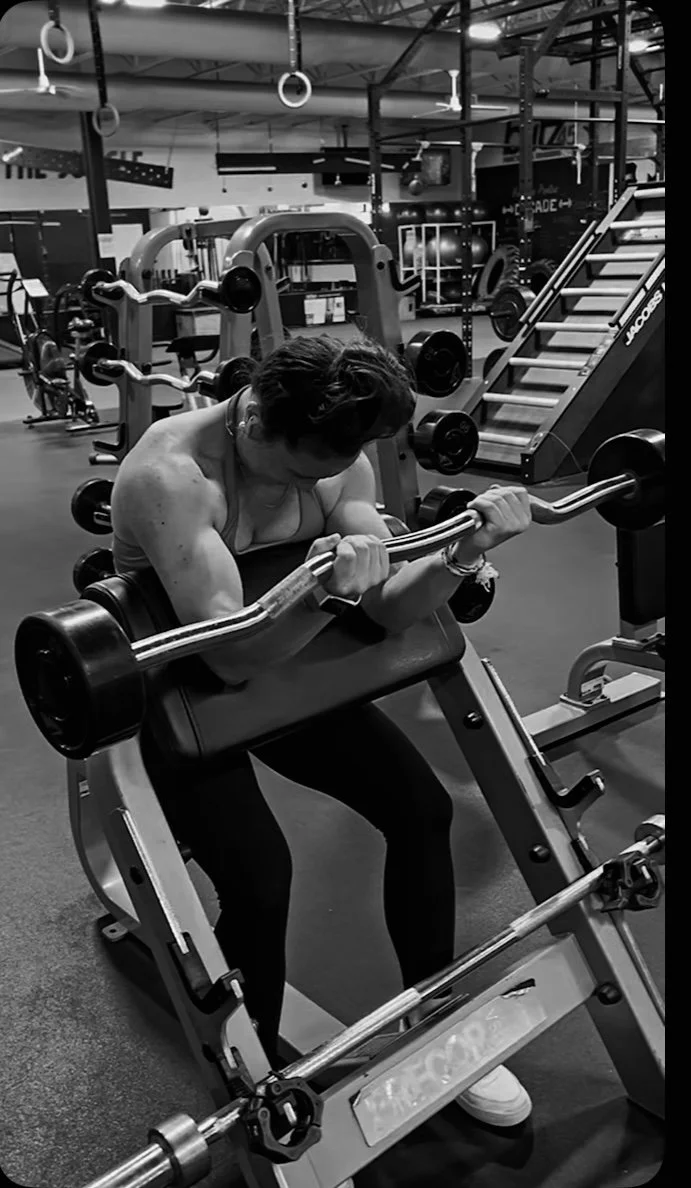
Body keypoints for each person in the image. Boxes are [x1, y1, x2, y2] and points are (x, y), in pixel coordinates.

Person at [111, 335, 534, 1151]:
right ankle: (254, 1080)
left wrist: (460, 553)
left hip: (286, 665)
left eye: (332, 470)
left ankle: (434, 1016)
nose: (318, 483)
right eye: (301, 469)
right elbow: (227, 660)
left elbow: (380, 613)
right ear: (255, 414)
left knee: (419, 809)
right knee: (263, 880)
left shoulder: (341, 459)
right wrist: (312, 594)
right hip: (178, 697)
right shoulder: (172, 478)